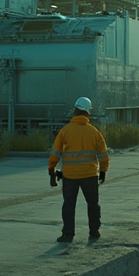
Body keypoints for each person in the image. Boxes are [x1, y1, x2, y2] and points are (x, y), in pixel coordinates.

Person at [48, 97, 110, 243]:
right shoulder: (94, 132)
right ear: (88, 113)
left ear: (75, 111)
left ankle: (68, 234)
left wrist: (51, 169)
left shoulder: (65, 131)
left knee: (69, 205)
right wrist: (103, 171)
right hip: (90, 176)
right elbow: (103, 154)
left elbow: (55, 153)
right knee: (93, 204)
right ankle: (94, 231)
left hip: (70, 176)